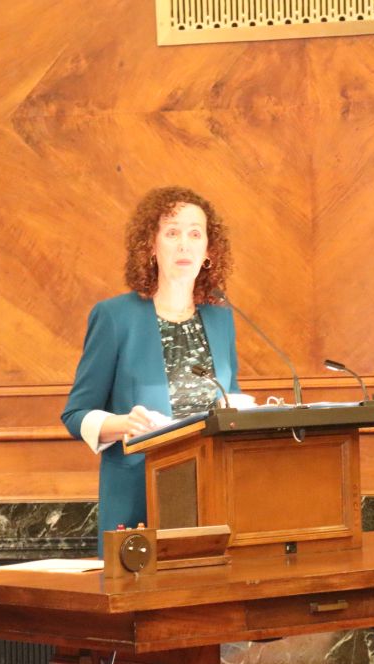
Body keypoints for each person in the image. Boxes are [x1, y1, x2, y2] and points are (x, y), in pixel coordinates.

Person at [62, 187, 240, 549]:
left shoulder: (221, 316)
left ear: (209, 251)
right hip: (139, 498)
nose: (184, 245)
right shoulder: (115, 317)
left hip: (213, 494)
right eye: (172, 233)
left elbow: (229, 400)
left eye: (195, 233)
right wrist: (122, 424)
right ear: (151, 246)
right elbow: (75, 414)